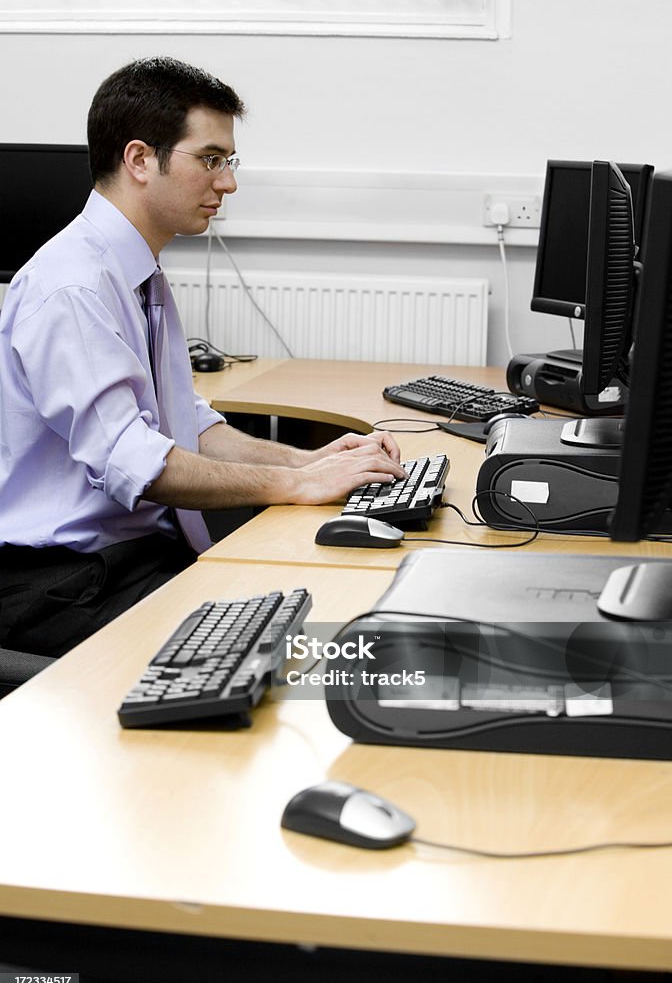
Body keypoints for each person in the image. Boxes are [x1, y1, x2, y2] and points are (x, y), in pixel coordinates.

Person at [0, 56, 403, 658]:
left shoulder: (134, 270)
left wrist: (306, 463)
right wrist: (295, 487)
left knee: (331, 611)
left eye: (228, 161)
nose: (228, 182)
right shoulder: (73, 288)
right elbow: (141, 464)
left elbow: (183, 424)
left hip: (124, 558)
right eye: (210, 159)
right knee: (298, 650)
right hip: (63, 582)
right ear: (140, 159)